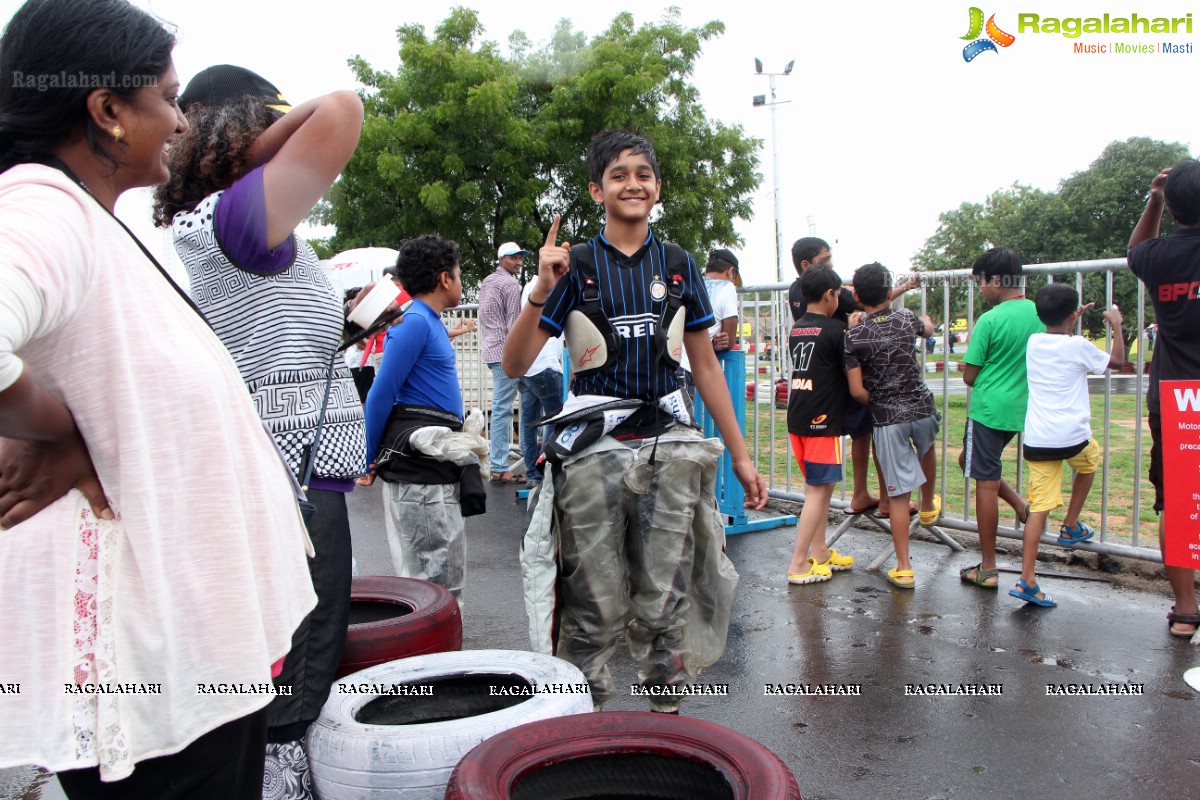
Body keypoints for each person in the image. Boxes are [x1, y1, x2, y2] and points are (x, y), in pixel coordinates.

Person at [0, 2, 316, 796]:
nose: (181, 123)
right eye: (169, 100)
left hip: (188, 646)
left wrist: (92, 434)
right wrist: (61, 430)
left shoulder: (99, 222)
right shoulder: (42, 208)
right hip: (147, 661)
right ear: (107, 111)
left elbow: (133, 390)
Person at [153, 65, 364, 798]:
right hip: (291, 487)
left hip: (291, 475)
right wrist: (254, 135)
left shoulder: (236, 227)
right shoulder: (236, 223)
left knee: (289, 671)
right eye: (270, 124)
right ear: (234, 131)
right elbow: (340, 109)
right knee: (295, 685)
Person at [502, 129, 766, 713]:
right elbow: (515, 363)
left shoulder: (679, 265)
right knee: (591, 603)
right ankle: (585, 722)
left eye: (643, 174)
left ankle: (665, 719)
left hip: (670, 448)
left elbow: (705, 366)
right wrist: (540, 291)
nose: (633, 184)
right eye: (619, 175)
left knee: (665, 599)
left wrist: (742, 457)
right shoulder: (572, 267)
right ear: (598, 189)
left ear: (657, 187)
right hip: (592, 452)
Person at [360, 235, 474, 604]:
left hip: (433, 472)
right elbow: (381, 393)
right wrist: (367, 458)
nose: (461, 281)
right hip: (420, 478)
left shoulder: (429, 321)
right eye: (459, 274)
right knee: (430, 587)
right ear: (444, 278)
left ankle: (441, 656)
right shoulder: (414, 323)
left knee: (443, 584)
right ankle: (433, 659)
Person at [788, 237, 919, 518]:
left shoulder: (796, 295)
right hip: (846, 377)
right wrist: (904, 288)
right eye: (826, 264)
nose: (833, 271)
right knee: (874, 432)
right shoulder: (831, 303)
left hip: (817, 390)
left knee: (859, 437)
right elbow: (870, 300)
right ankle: (885, 498)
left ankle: (863, 494)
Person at [1014, 284, 1123, 608]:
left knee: (1039, 507)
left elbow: (1054, 331)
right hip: (1073, 437)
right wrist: (1115, 323)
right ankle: (1071, 525)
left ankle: (1027, 579)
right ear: (1073, 314)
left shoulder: (1034, 342)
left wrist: (1072, 317)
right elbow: (1117, 361)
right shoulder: (1078, 346)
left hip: (1038, 439)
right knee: (1090, 461)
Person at [1127, 159, 1200, 642]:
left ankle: (1186, 610)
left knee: (1178, 502)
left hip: (1178, 397)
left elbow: (1135, 249)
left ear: (1171, 208)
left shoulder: (1158, 257)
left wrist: (1155, 197)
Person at [844, 263, 940, 589]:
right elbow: (927, 330)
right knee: (927, 449)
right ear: (889, 293)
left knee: (898, 495)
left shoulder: (854, 336)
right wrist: (928, 324)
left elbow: (856, 391)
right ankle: (927, 508)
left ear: (856, 296)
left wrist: (882, 399)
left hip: (887, 417)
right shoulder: (905, 318)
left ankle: (904, 568)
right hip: (923, 407)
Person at [956, 247, 1043, 590]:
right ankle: (1022, 507)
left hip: (989, 409)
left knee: (984, 480)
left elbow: (969, 376)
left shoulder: (990, 320)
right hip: (1023, 409)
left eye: (981, 282)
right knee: (971, 461)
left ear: (995, 281)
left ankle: (988, 568)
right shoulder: (1040, 313)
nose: (980, 289)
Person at [785, 267, 857, 584]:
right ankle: (799, 564)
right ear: (830, 295)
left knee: (822, 487)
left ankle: (820, 552)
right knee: (817, 491)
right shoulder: (834, 331)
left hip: (798, 416)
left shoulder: (797, 328)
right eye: (839, 294)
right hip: (822, 420)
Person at [479, 242, 526, 483]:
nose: (518, 262)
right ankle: (499, 465)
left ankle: (500, 462)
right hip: (506, 351)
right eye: (513, 258)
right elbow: (514, 324)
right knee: (505, 409)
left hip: (491, 349)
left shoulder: (488, 281)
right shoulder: (510, 284)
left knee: (501, 408)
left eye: (520, 258)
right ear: (501, 259)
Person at [675, 248, 741, 400]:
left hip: (667, 359)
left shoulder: (692, 283)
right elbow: (728, 341)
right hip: (685, 366)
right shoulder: (727, 287)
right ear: (731, 272)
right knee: (680, 422)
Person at [517, 281, 564, 488]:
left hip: (526, 365)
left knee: (529, 423)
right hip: (546, 365)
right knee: (555, 420)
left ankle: (532, 475)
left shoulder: (530, 286)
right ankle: (543, 471)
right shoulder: (556, 287)